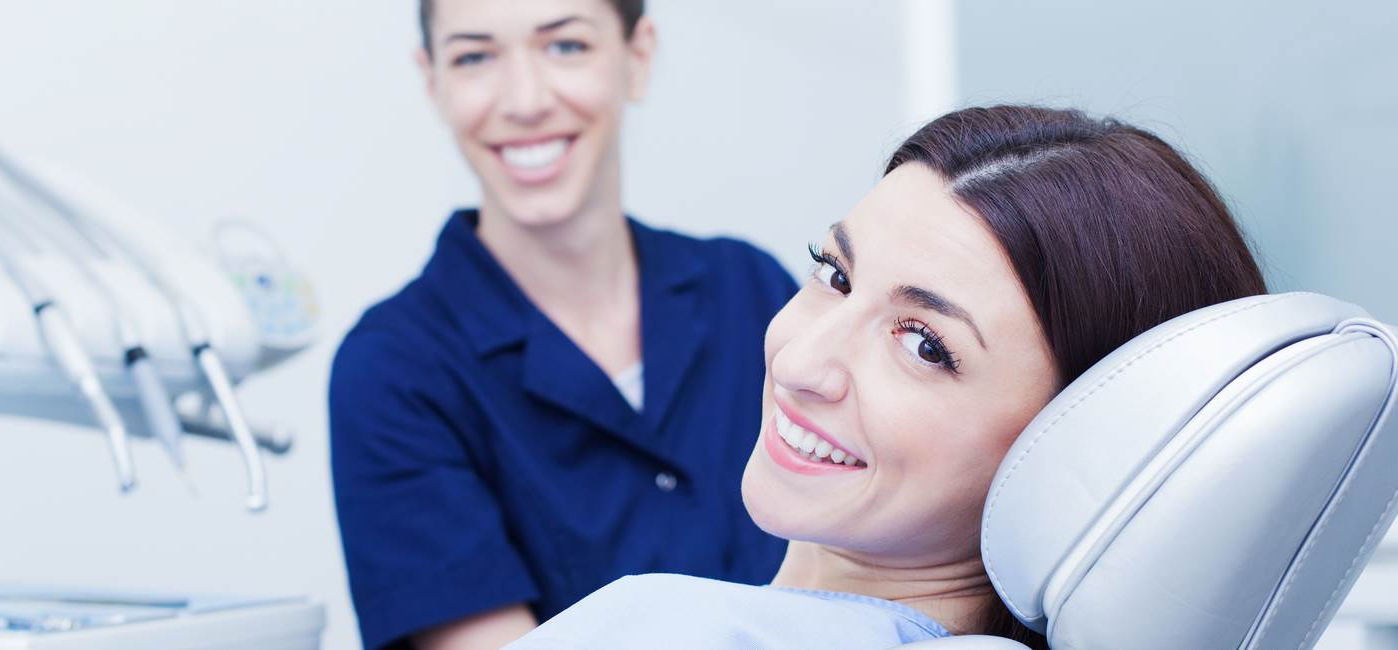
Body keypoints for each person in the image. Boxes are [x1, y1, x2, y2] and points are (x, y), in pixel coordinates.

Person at [507, 105, 1269, 649]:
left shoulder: (668, 630)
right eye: (834, 275)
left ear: (1083, 442)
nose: (801, 363)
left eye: (925, 346)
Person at [328, 1, 796, 648]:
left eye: (566, 47)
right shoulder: (393, 370)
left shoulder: (751, 291)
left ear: (637, 57)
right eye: (474, 57)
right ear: (432, 81)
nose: (524, 100)